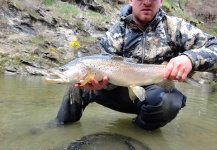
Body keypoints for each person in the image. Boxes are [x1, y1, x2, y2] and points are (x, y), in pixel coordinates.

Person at [56, 0, 217, 131]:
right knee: (77, 84)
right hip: (119, 90)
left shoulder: (176, 28)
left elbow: (214, 46)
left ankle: (139, 130)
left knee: (171, 101)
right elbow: (107, 78)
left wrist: (190, 59)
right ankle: (61, 126)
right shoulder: (114, 34)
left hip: (154, 90)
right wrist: (103, 86)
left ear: (160, 1)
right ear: (131, 0)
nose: (147, 2)